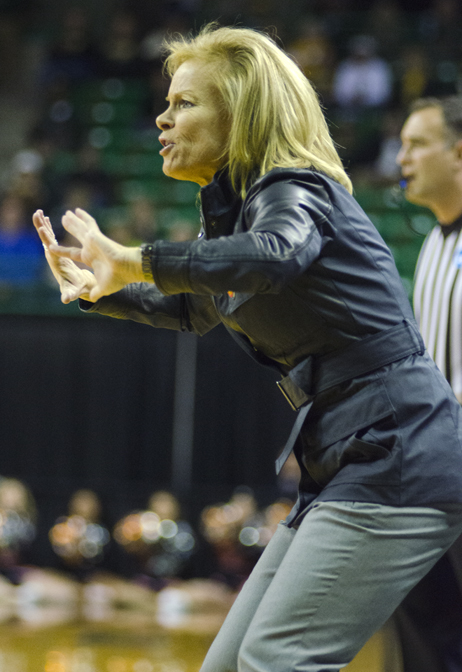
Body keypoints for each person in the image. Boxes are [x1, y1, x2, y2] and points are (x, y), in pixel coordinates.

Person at [32, 24, 462, 672]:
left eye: (184, 103)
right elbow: (195, 307)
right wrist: (101, 289)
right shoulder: (236, 219)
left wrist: (136, 258)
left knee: (275, 659)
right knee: (232, 663)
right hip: (352, 451)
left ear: (241, 112)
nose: (161, 116)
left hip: (400, 450)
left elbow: (273, 257)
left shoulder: (294, 189)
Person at [396, 95, 462, 672]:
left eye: (417, 143)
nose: (402, 157)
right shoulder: (434, 243)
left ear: (459, 152)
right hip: (434, 472)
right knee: (421, 629)